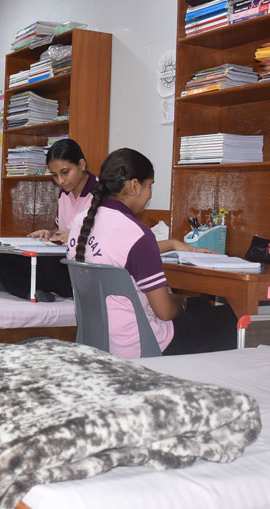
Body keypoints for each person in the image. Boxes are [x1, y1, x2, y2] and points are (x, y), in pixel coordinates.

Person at [67, 147, 237, 358]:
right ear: (135, 185)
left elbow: (117, 252)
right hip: (143, 346)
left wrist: (172, 244)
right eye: (150, 186)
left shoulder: (80, 222)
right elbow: (165, 312)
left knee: (200, 305)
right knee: (232, 319)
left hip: (98, 341)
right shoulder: (136, 233)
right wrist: (181, 302)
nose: (150, 195)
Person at [0, 139, 94, 301]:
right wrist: (50, 233)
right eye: (55, 175)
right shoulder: (64, 193)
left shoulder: (101, 194)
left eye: (65, 172)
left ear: (81, 165)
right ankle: (28, 290)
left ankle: (17, 286)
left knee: (48, 267)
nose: (60, 181)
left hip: (82, 267)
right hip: (62, 258)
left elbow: (106, 241)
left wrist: (73, 237)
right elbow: (61, 230)